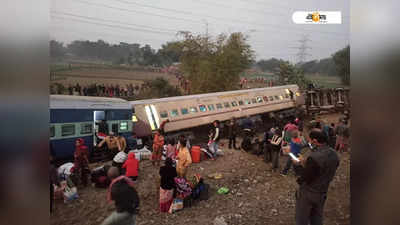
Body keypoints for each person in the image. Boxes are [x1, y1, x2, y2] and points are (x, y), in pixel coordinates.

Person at [293, 130, 339, 225]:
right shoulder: (334, 154)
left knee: (301, 219)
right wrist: (307, 163)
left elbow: (304, 178)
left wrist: (298, 164)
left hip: (309, 193)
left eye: (309, 140)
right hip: (323, 191)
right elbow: (322, 169)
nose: (309, 142)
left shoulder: (314, 158)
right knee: (317, 217)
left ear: (314, 141)